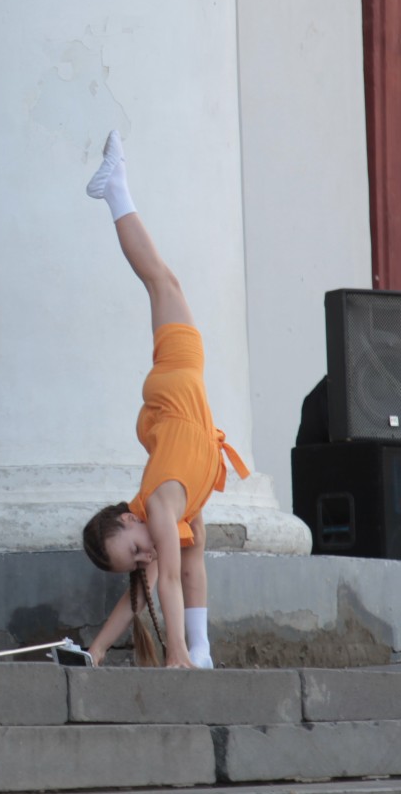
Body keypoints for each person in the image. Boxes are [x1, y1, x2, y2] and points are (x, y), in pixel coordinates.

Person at [79, 130, 248, 669]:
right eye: (135, 561)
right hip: (178, 399)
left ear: (127, 522)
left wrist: (170, 650)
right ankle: (203, 651)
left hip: (177, 385)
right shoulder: (167, 516)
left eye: (134, 551)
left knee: (160, 280)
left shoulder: (156, 507)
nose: (144, 558)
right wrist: (101, 648)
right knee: (161, 281)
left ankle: (115, 190)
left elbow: (167, 578)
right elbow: (161, 581)